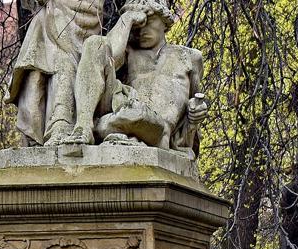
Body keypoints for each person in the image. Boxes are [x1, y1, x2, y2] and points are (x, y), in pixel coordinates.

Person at [62, 0, 208, 154]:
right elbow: (109, 53)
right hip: (121, 113)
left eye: (148, 21)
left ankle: (119, 129)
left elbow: (192, 108)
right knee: (95, 44)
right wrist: (128, 18)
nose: (141, 30)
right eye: (137, 25)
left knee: (138, 114)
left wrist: (196, 113)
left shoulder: (190, 57)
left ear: (165, 21)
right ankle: (84, 126)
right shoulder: (128, 52)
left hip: (155, 128)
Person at [6, 0, 104, 146]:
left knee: (54, 24)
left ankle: (60, 119)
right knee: (43, 21)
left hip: (83, 10)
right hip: (57, 12)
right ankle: (50, 119)